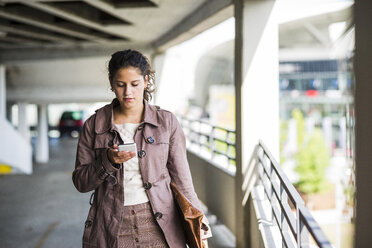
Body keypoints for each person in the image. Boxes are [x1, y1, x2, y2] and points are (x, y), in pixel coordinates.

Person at [72, 49, 211, 248]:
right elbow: (81, 182)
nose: (128, 92)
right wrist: (107, 162)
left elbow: (182, 180)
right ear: (112, 83)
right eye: (121, 85)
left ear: (146, 81)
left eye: (135, 84)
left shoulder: (167, 122)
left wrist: (199, 221)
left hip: (161, 224)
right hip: (112, 226)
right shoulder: (94, 125)